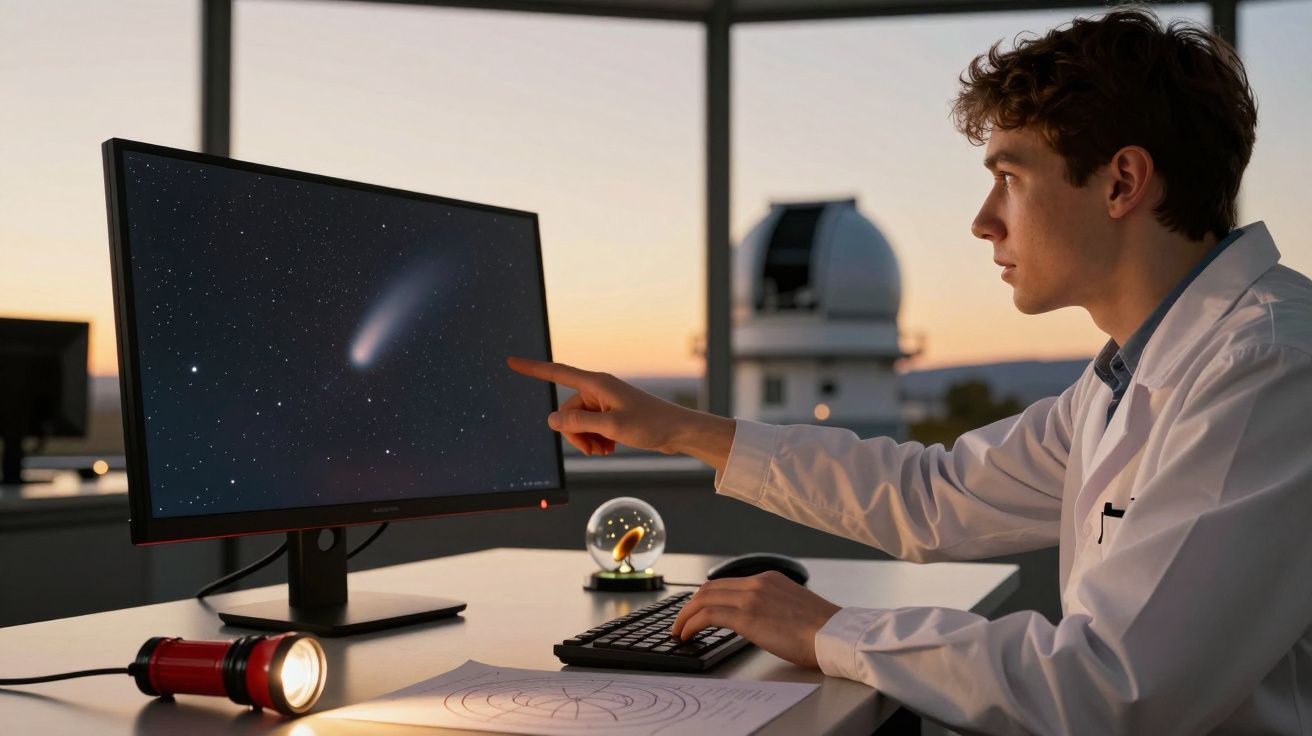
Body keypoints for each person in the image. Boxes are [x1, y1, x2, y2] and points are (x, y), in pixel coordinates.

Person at [510, 8, 1312, 734]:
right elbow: (936, 497)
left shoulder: (1265, 368)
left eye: (1010, 177)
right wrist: (681, 429)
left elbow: (1114, 690)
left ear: (1122, 182)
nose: (981, 221)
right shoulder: (1130, 376)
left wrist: (829, 629)